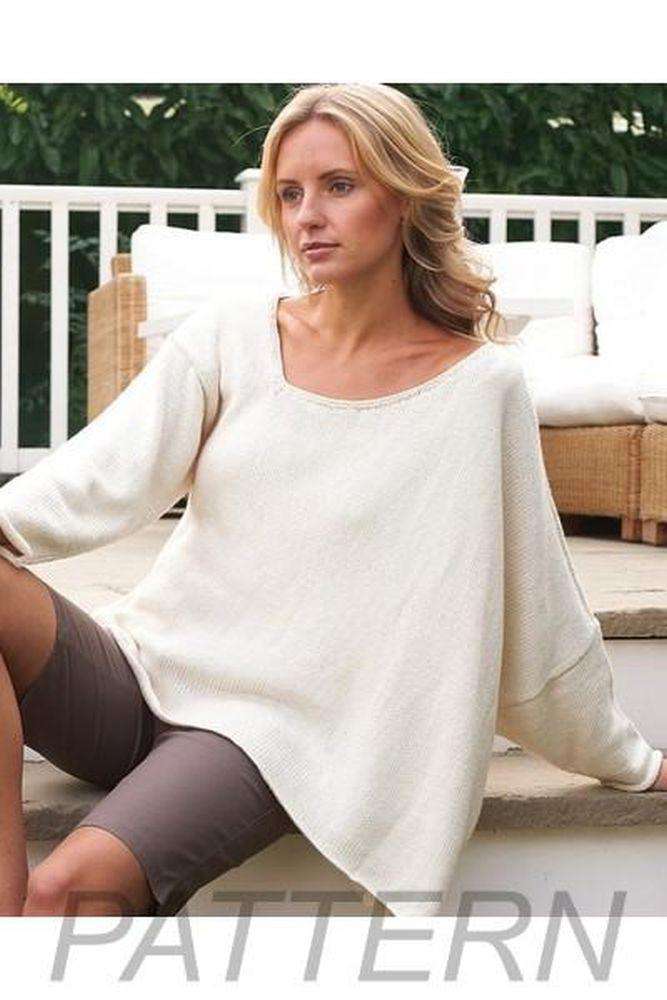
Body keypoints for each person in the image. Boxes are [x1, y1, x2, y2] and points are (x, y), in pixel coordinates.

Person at [0, 83, 664, 920]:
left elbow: (538, 613)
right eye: (289, 194)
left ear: (404, 195)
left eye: (338, 186)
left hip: (275, 735)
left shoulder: (477, 389)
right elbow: (95, 477)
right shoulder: (230, 337)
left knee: (71, 889)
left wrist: (632, 761)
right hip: (142, 674)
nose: (307, 216)